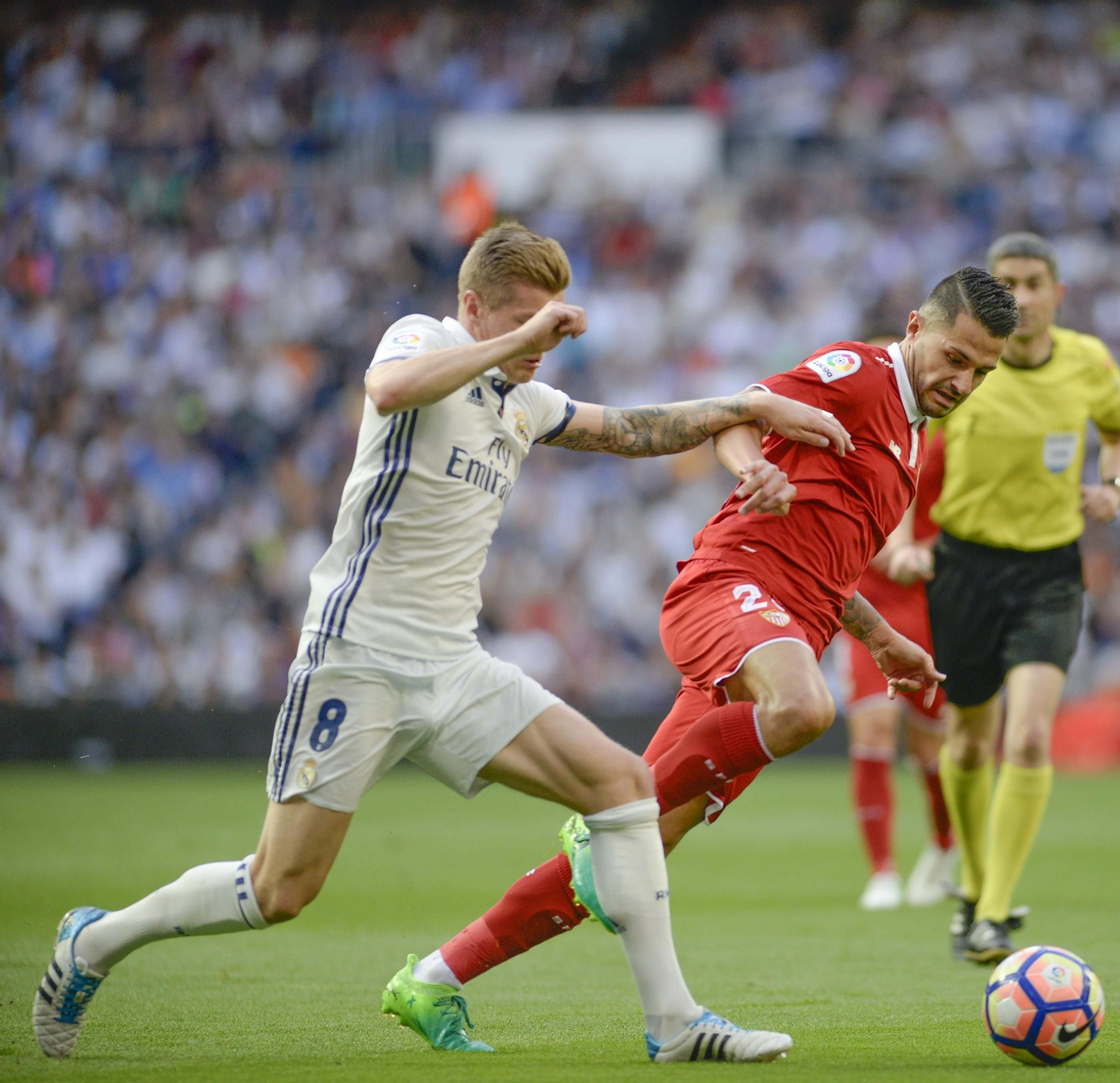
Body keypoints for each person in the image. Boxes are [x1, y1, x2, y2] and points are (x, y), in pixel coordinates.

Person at [33, 222, 855, 1063]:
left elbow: (636, 428)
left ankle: (675, 1024)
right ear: (472, 306)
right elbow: (392, 391)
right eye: (523, 320)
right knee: (281, 888)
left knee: (621, 783)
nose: (542, 342)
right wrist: (527, 338)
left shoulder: (523, 400)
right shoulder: (422, 339)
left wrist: (748, 406)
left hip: (453, 665)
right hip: (356, 655)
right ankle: (95, 941)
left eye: (550, 323)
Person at [390, 268, 1019, 1046]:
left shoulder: (917, 439)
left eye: (983, 372)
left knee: (638, 850)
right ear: (917, 328)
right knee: (804, 708)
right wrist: (751, 466)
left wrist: (883, 637)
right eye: (957, 358)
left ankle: (435, 978)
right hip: (729, 588)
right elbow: (736, 415)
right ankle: (608, 822)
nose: (964, 381)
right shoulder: (860, 373)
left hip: (784, 623)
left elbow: (829, 567)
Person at [888, 232, 1120, 964]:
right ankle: (973, 886)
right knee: (968, 738)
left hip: (1049, 571)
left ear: (1057, 293)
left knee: (1027, 735)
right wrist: (904, 536)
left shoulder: (1090, 363)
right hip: (964, 566)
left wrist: (1114, 488)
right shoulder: (965, 370)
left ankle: (992, 909)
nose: (1021, 296)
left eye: (1033, 282)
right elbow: (909, 446)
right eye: (1007, 282)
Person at [840, 338, 955, 910]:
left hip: (928, 596)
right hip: (865, 595)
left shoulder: (943, 429)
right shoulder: (852, 419)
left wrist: (929, 551)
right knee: (873, 727)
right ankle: (881, 870)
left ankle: (943, 846)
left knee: (931, 745)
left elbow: (958, 513)